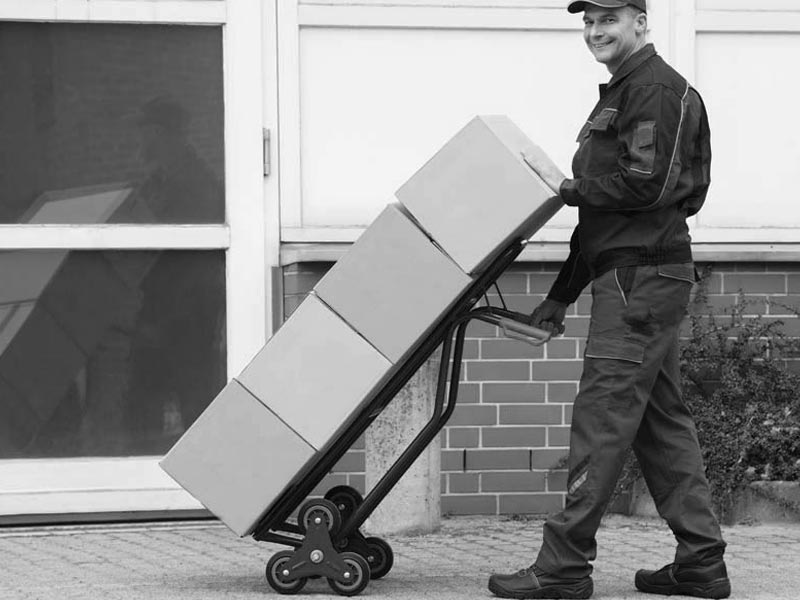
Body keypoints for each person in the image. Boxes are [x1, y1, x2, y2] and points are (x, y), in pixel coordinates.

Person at [488, 1, 730, 599]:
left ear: (641, 23)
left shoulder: (654, 91)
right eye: (587, 22)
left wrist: (566, 188)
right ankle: (702, 563)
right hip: (631, 277)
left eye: (609, 19)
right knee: (659, 423)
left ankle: (563, 568)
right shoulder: (620, 94)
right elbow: (602, 216)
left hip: (640, 282)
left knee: (601, 420)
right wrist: (561, 294)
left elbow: (647, 186)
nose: (595, 31)